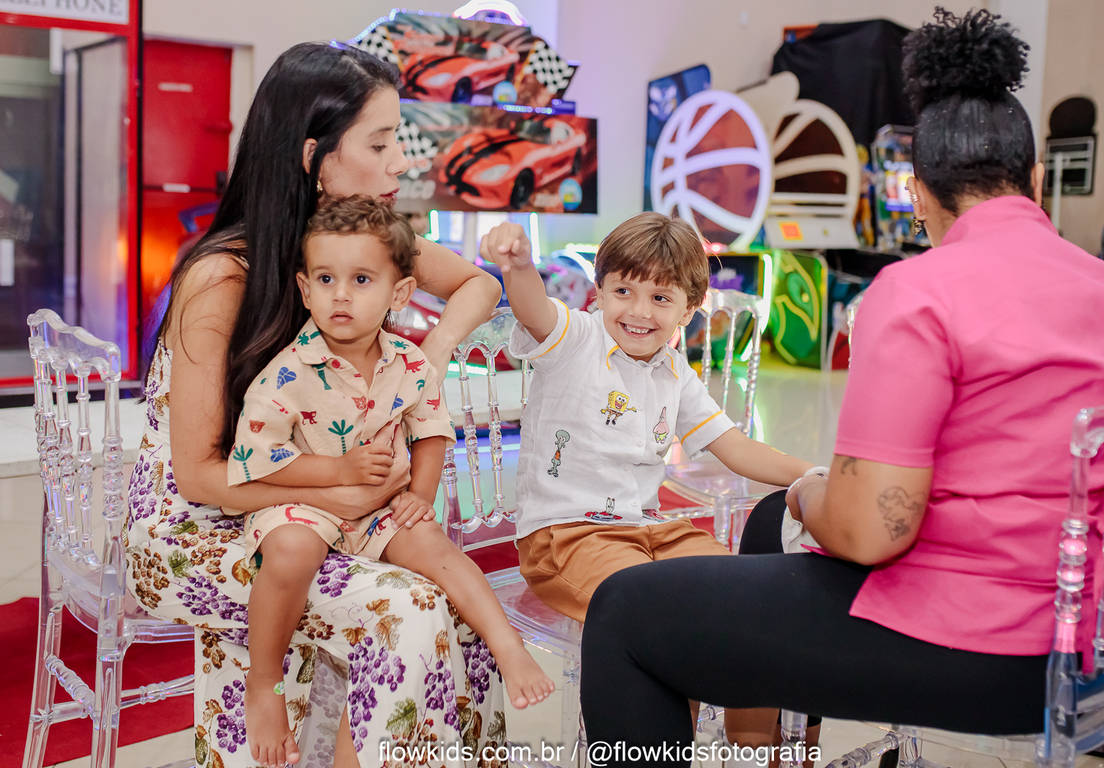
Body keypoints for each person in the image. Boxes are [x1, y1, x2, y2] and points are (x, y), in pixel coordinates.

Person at [577, 8, 1104, 764]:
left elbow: (870, 532)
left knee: (624, 613)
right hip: (1101, 643)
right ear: (1034, 182)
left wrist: (809, 493)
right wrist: (795, 501)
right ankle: (775, 751)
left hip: (981, 648)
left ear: (917, 193)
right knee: (765, 522)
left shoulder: (918, 293)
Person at [125, 42, 507, 768]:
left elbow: (479, 284)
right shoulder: (223, 278)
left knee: (453, 597)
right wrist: (338, 486)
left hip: (319, 507)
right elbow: (201, 478)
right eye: (381, 144)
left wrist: (426, 359)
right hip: (195, 526)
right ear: (316, 159)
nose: (400, 163)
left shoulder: (357, 243)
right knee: (411, 606)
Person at [227, 196, 553, 767]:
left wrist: (419, 497)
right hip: (309, 502)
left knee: (436, 547)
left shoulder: (410, 364)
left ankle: (507, 643)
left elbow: (430, 430)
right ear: (305, 290)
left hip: (381, 506)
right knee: (290, 550)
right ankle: (264, 681)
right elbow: (259, 460)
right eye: (326, 279)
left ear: (399, 294)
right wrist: (337, 472)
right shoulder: (286, 373)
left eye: (360, 280)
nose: (341, 295)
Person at [479, 213, 814, 751]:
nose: (638, 311)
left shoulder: (674, 370)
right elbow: (533, 308)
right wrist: (518, 267)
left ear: (689, 308)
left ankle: (752, 742)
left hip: (652, 531)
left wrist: (822, 474)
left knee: (750, 598)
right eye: (623, 291)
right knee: (662, 617)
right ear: (599, 290)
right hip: (567, 537)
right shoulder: (576, 337)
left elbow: (736, 447)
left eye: (660, 298)